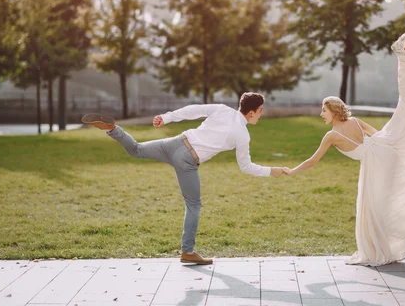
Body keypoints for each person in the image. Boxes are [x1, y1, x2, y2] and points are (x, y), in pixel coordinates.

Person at [285, 33, 405, 266]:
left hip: (377, 161)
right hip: (383, 153)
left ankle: (379, 249)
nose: (321, 115)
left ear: (333, 111)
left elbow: (313, 161)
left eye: (323, 111)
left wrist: (292, 171)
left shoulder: (331, 135)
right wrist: (394, 142)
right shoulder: (354, 122)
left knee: (374, 208)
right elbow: (376, 134)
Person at [82, 92, 287, 265]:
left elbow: (193, 110)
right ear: (251, 112)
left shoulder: (223, 109)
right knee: (194, 205)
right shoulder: (243, 134)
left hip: (177, 142)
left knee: (136, 149)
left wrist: (166, 117)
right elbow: (246, 167)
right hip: (188, 160)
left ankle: (112, 129)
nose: (261, 115)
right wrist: (271, 171)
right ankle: (187, 252)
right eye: (260, 111)